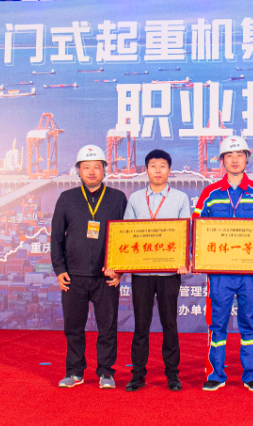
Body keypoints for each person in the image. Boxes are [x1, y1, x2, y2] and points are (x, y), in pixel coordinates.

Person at [193, 136, 253, 392]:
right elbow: (197, 229)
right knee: (217, 322)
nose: (235, 159)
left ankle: (251, 374)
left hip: (249, 272)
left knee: (249, 322)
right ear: (222, 161)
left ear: (247, 159)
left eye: (240, 155)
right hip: (219, 273)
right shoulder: (210, 194)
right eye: (229, 155)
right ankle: (215, 374)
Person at [51, 145, 128, 390]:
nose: (92, 171)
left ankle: (106, 372)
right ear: (78, 170)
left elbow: (125, 237)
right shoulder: (67, 198)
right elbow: (56, 237)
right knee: (73, 327)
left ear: (104, 169)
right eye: (86, 167)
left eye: (97, 166)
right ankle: (74, 372)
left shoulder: (117, 198)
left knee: (108, 327)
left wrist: (119, 269)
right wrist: (59, 269)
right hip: (73, 276)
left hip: (106, 276)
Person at [116, 149, 191, 392]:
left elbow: (185, 233)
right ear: (146, 170)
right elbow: (127, 233)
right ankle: (137, 375)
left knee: (170, 324)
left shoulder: (180, 198)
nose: (158, 170)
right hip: (142, 274)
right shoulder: (136, 199)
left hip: (170, 273)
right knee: (141, 326)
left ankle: (172, 375)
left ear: (169, 170)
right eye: (153, 166)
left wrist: (184, 260)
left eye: (162, 166)